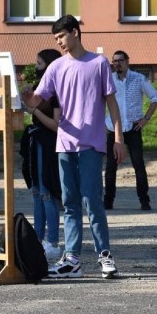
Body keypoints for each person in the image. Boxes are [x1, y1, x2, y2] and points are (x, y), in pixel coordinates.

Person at [20, 15, 126, 279]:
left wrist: (118, 138)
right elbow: (36, 99)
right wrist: (23, 95)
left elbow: (112, 103)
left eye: (61, 37)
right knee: (69, 202)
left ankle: (104, 255)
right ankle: (72, 259)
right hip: (64, 143)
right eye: (55, 40)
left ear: (75, 33)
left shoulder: (99, 63)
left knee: (92, 200)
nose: (60, 43)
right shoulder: (56, 67)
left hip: (91, 142)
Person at [104, 50, 157, 211]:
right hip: (113, 128)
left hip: (133, 127)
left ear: (127, 62)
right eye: (114, 61)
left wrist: (145, 119)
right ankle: (108, 201)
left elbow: (155, 98)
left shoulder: (138, 78)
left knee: (139, 165)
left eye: (120, 60)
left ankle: (144, 200)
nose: (117, 64)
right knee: (110, 167)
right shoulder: (109, 80)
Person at [20, 48, 63, 260]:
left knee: (48, 193)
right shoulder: (40, 88)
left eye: (39, 63)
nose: (36, 67)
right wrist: (26, 98)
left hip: (48, 144)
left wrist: (33, 111)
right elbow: (31, 107)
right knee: (36, 191)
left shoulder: (56, 90)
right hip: (35, 142)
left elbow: (57, 125)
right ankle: (37, 238)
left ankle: (52, 241)